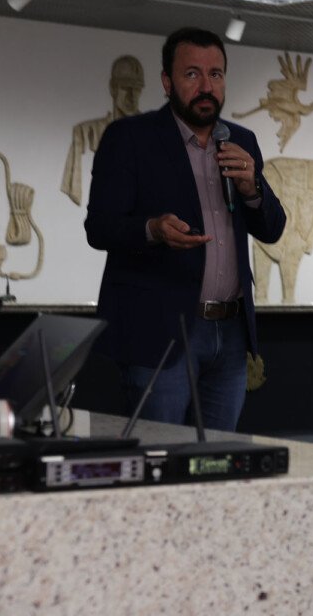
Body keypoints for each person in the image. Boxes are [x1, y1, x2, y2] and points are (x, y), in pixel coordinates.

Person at [85, 27, 286, 430]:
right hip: (161, 332)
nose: (206, 86)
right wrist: (152, 229)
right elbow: (100, 227)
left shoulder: (240, 140)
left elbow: (272, 229)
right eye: (192, 74)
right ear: (167, 82)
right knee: (160, 453)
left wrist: (253, 189)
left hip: (230, 334)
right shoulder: (130, 139)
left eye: (216, 74)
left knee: (217, 456)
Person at [61, 55, 145, 206]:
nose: (131, 96)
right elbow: (74, 190)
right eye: (125, 87)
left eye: (136, 88)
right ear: (113, 88)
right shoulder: (87, 132)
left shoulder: (153, 134)